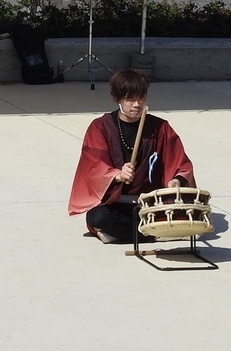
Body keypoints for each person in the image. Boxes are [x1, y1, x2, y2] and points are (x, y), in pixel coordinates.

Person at [68, 69, 195, 243]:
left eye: (141, 98)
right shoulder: (100, 127)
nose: (136, 104)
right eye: (130, 99)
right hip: (116, 203)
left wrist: (176, 180)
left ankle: (129, 234)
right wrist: (117, 175)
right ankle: (158, 233)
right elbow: (92, 167)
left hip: (151, 203)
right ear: (118, 98)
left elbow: (180, 163)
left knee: (187, 213)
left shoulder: (160, 127)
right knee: (98, 217)